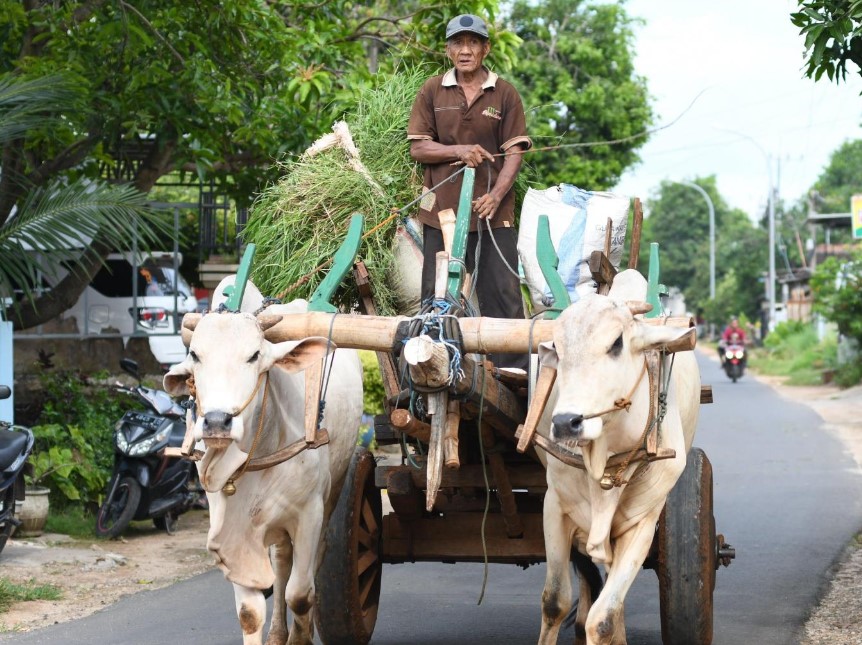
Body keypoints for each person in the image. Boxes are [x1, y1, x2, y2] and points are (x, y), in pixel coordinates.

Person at [407, 13, 532, 371]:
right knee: (437, 297)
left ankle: (514, 377)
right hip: (442, 212)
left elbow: (515, 151)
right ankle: (432, 368)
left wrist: (496, 196)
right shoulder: (433, 90)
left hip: (492, 213)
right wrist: (458, 151)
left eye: (473, 43)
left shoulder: (504, 92)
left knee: (504, 298)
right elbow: (419, 148)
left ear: (485, 48)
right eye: (458, 43)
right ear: (448, 50)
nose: (465, 50)